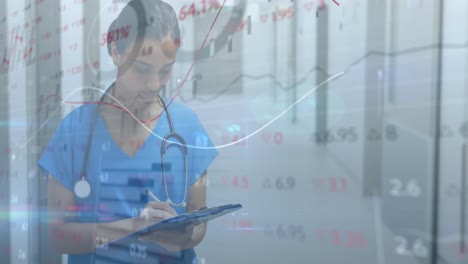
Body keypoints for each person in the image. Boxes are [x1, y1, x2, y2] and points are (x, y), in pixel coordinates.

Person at [37, 0, 218, 263]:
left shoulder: (187, 127)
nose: (154, 85)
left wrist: (183, 237)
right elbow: (58, 235)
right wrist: (135, 226)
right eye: (142, 69)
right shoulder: (75, 130)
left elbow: (199, 223)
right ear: (115, 51)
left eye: (165, 70)